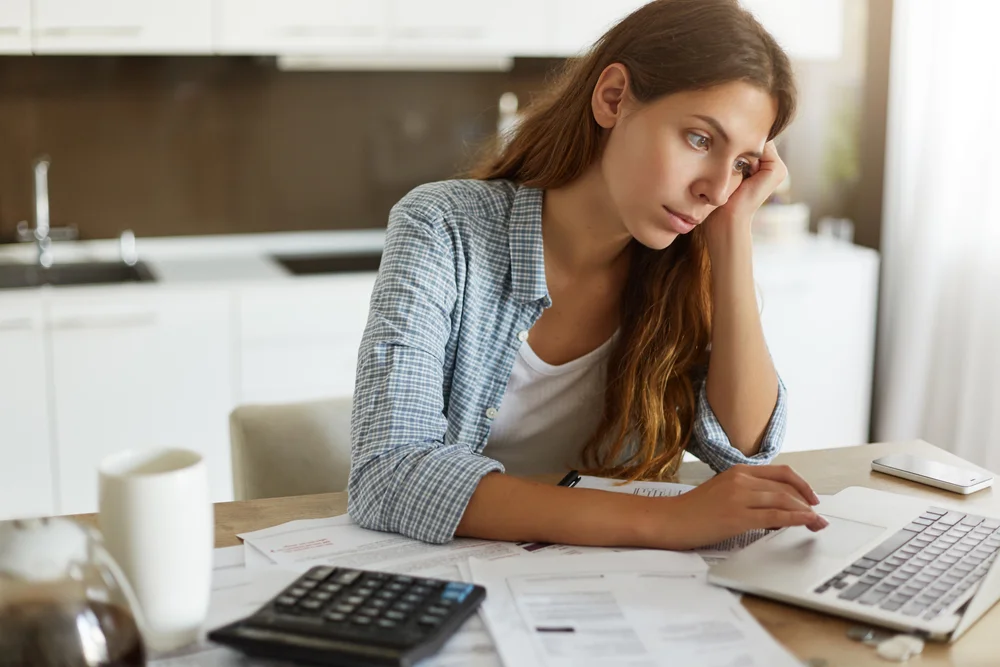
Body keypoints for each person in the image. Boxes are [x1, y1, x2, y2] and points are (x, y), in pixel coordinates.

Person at [348, 0, 829, 550]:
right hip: (459, 580)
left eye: (742, 164)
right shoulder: (443, 227)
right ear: (613, 98)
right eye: (700, 140)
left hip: (614, 592)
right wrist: (667, 522)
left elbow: (745, 451)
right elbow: (388, 474)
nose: (717, 190)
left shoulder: (683, 264)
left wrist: (732, 234)